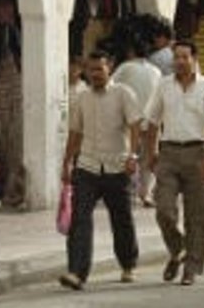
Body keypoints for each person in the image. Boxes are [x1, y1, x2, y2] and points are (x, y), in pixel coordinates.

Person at [143, 40, 204, 286]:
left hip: (197, 154)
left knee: (197, 216)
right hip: (168, 153)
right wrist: (151, 153)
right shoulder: (163, 86)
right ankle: (178, 249)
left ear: (194, 59)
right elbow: (151, 121)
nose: (179, 62)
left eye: (184, 57)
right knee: (163, 210)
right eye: (176, 57)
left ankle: (190, 267)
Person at [57, 51, 143, 291]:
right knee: (79, 220)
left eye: (99, 70)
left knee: (122, 219)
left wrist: (133, 156)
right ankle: (77, 272)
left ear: (110, 68)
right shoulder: (82, 99)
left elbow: (136, 125)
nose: (95, 75)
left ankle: (128, 263)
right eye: (91, 70)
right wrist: (67, 163)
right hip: (87, 167)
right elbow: (75, 133)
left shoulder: (123, 94)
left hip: (117, 167)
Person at [110, 37, 162, 208]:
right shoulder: (156, 71)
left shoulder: (125, 68)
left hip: (129, 121)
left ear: (131, 52)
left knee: (128, 155)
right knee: (149, 157)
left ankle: (130, 193)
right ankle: (146, 194)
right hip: (151, 120)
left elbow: (110, 86)